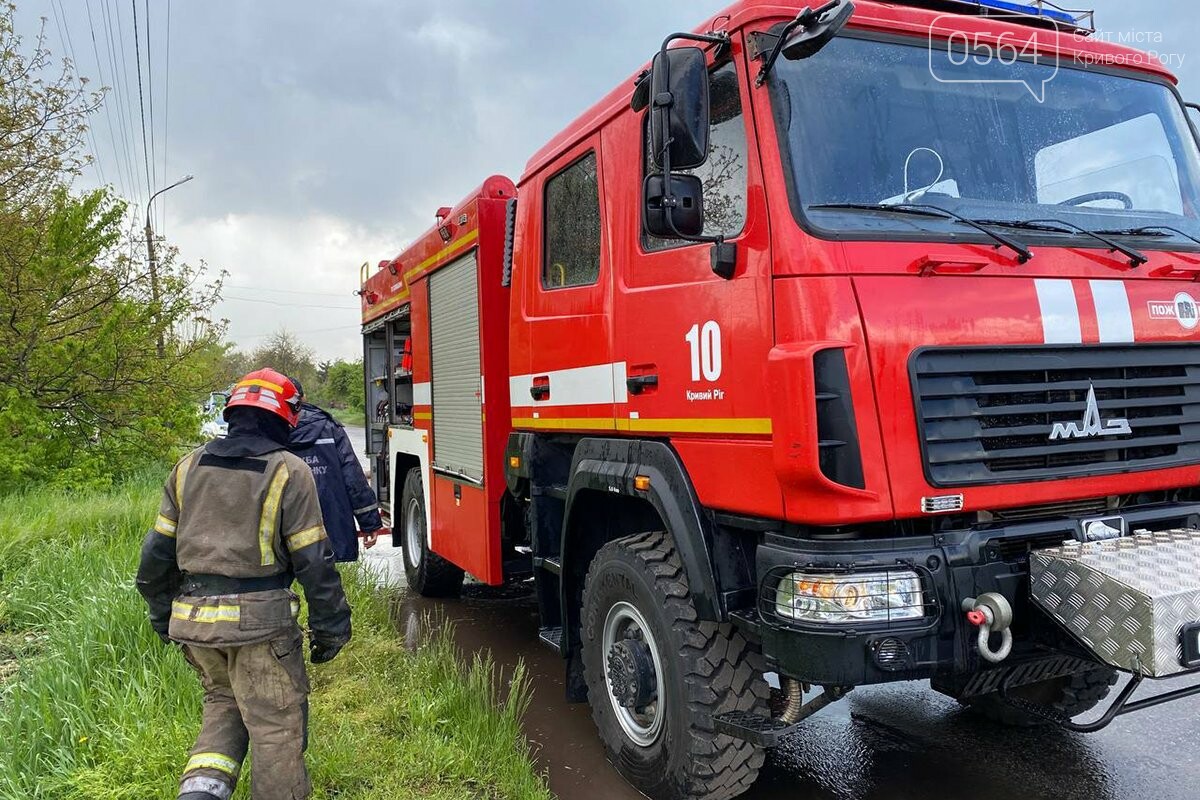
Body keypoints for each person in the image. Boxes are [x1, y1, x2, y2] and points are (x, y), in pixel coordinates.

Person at [137, 368, 351, 800]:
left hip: (196, 626)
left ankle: (199, 794)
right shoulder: (289, 471)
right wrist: (331, 627)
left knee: (223, 706)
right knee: (275, 728)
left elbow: (155, 557)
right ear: (287, 417)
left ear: (232, 412)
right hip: (261, 628)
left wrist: (164, 615)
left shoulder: (187, 467)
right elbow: (314, 561)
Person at [287, 377, 387, 562]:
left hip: (285, 528)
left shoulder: (269, 432)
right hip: (331, 524)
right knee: (325, 583)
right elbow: (353, 477)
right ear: (304, 397)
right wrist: (369, 523)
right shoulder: (329, 427)